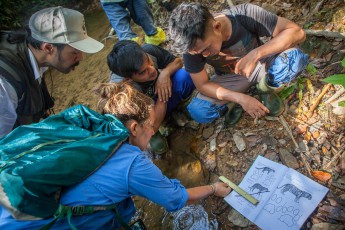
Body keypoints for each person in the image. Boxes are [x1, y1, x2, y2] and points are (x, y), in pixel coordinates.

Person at [0, 82, 231, 229]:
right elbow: (176, 199)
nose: (153, 131)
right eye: (149, 125)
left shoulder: (94, 130)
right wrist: (214, 189)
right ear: (133, 128)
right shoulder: (132, 164)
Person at [169, 3, 309, 125]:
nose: (204, 55)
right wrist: (239, 98)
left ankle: (265, 89)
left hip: (261, 64)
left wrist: (256, 54)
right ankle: (233, 103)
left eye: (206, 49)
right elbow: (202, 85)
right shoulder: (192, 48)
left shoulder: (244, 15)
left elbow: (297, 32)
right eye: (199, 53)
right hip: (231, 77)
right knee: (198, 111)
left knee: (294, 60)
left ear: (216, 26)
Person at [0, 6, 104, 138]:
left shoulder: (38, 57)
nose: (81, 57)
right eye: (75, 52)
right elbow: (3, 144)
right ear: (48, 48)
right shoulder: (4, 83)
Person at [107, 40, 195, 153]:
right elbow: (149, 125)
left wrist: (165, 74)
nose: (152, 70)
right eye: (143, 72)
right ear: (128, 79)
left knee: (185, 76)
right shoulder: (123, 92)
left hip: (157, 98)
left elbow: (177, 62)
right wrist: (162, 95)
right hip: (147, 113)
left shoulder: (148, 50)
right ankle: (155, 134)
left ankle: (177, 108)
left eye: (149, 61)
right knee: (153, 133)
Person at [100, 0, 166, 45]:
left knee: (148, 24)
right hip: (109, 2)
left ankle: (158, 45)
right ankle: (137, 57)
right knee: (126, 38)